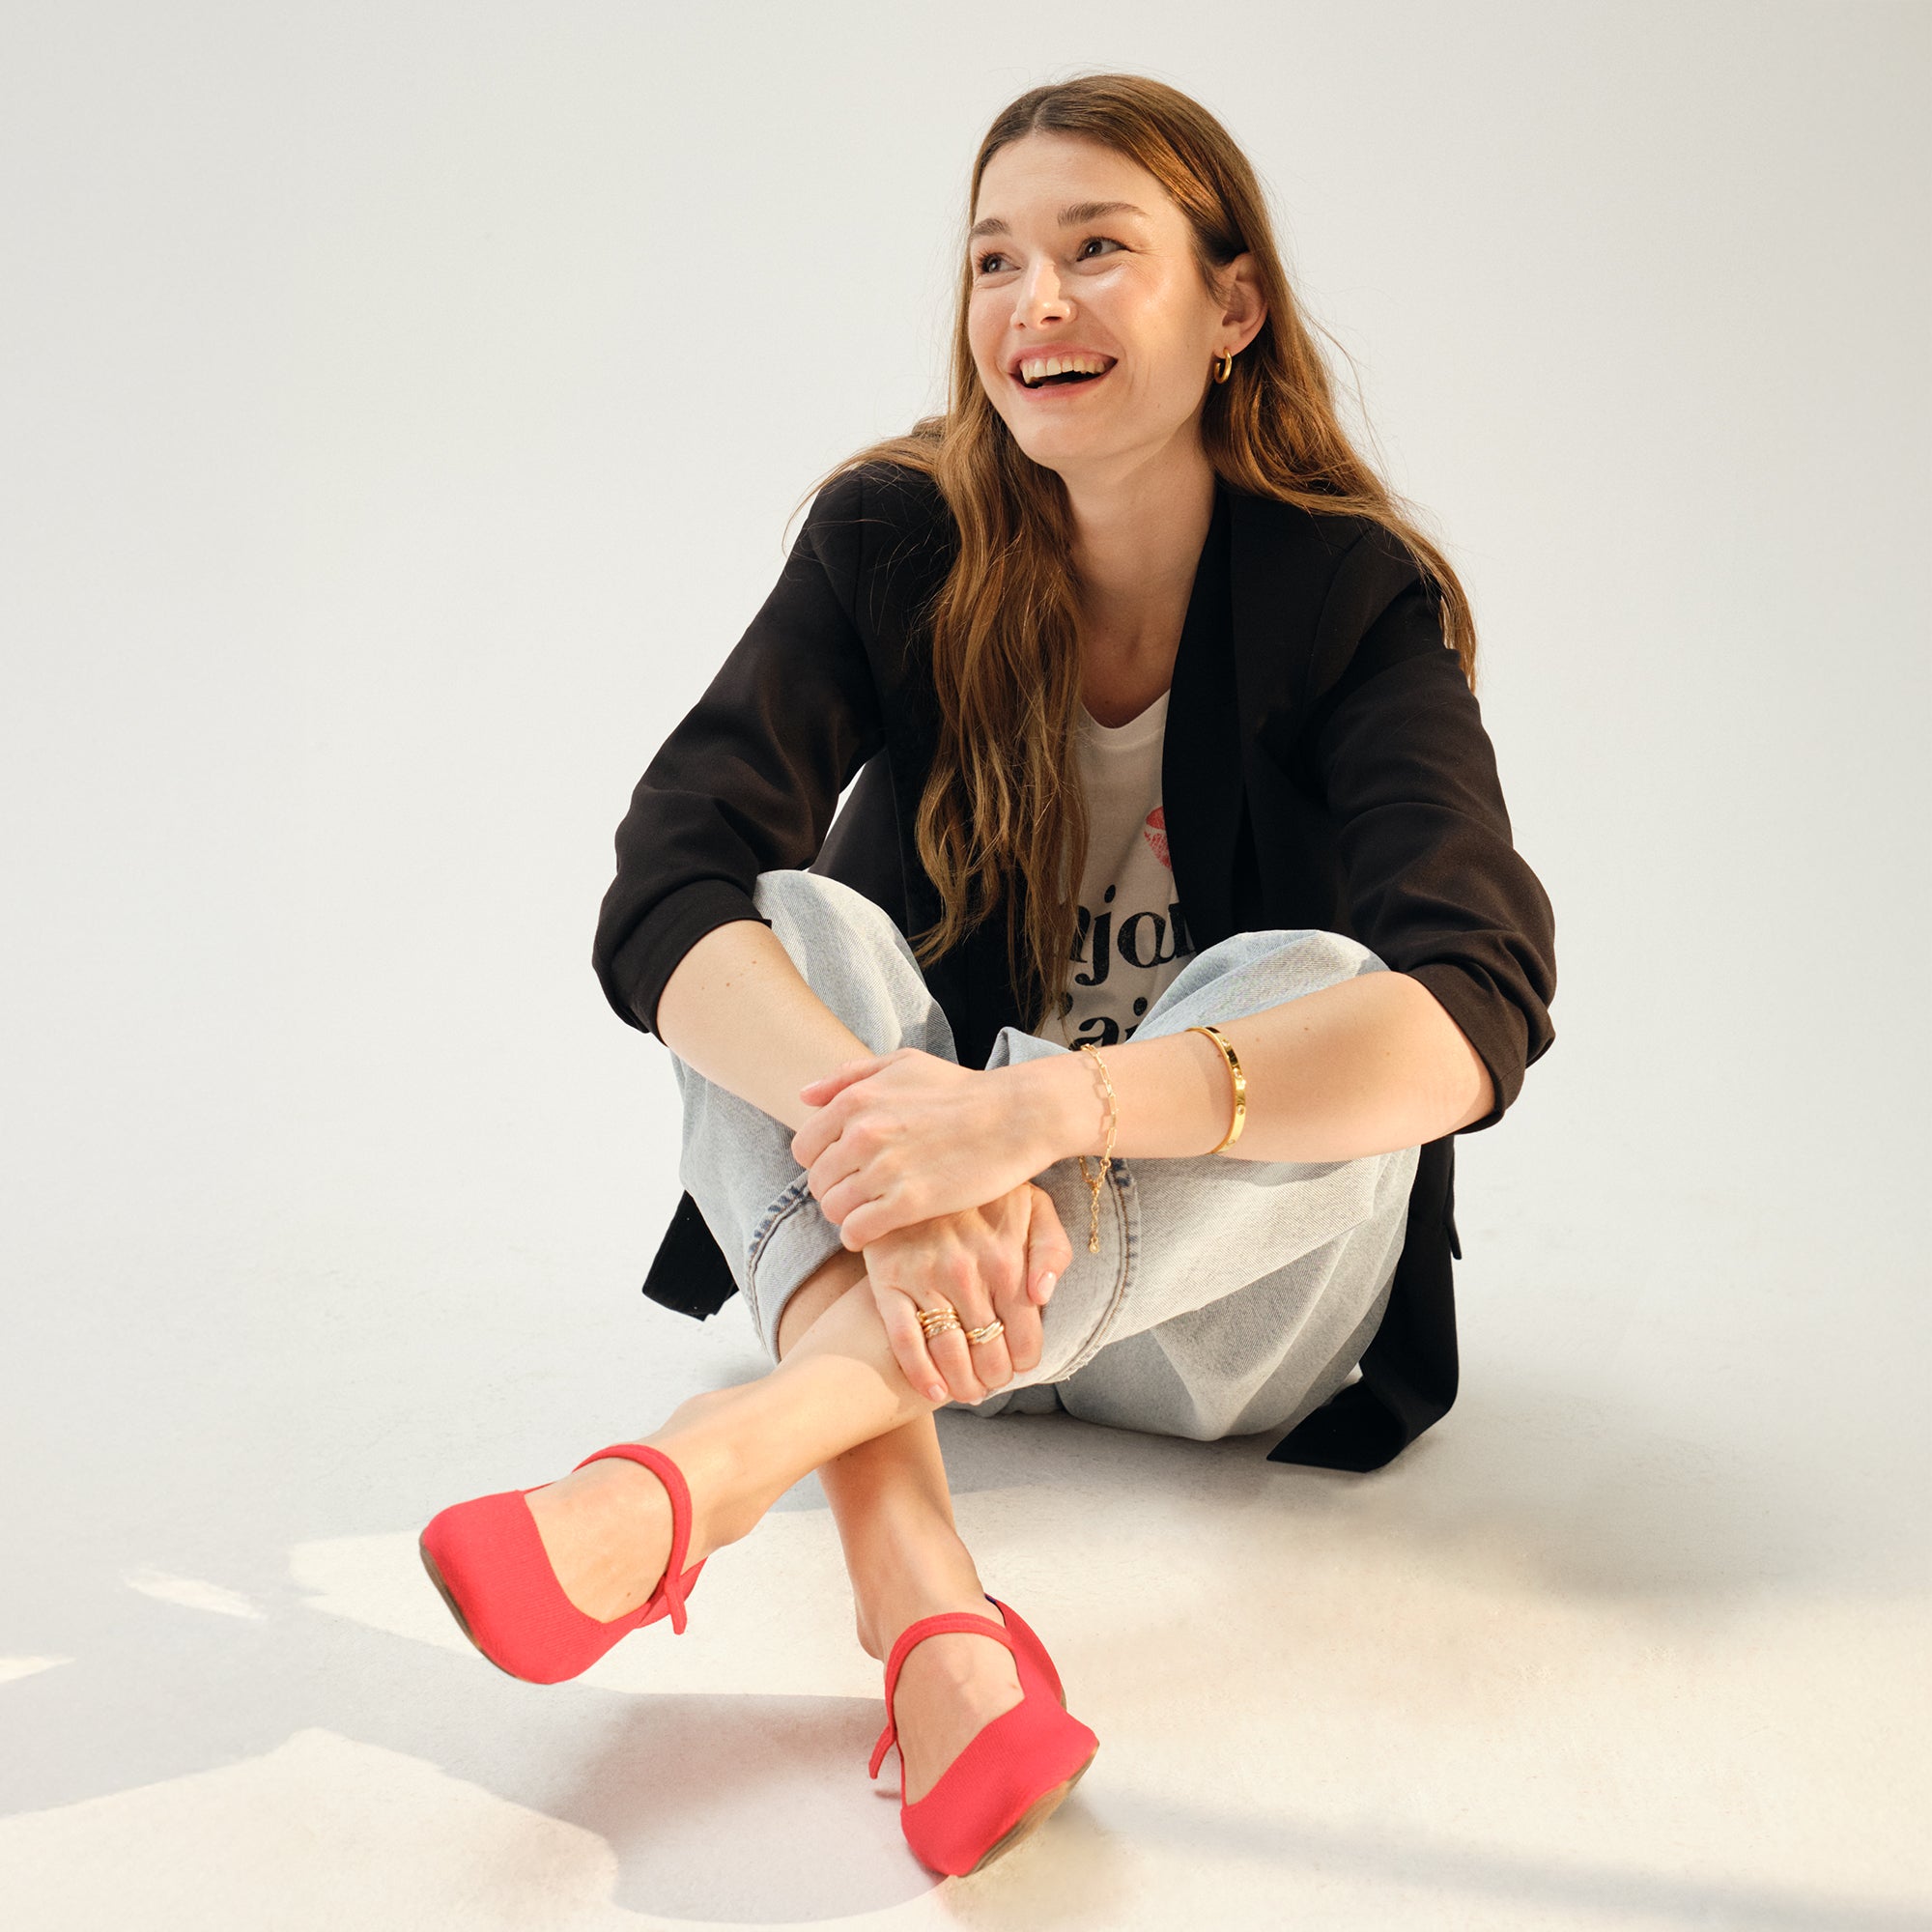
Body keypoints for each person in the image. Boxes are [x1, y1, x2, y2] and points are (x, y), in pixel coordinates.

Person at [419, 72, 1556, 1879]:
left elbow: (1477, 1001)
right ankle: (931, 1615)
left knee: (1327, 988)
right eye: (994, 259)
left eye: (1098, 249)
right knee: (776, 922)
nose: (1036, 302)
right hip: (918, 1247)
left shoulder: (1349, 596)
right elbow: (667, 883)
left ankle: (718, 1465)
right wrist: (910, 1147)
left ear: (1233, 304)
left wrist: (1037, 1117)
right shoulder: (897, 539)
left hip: (1220, 1321)